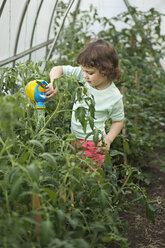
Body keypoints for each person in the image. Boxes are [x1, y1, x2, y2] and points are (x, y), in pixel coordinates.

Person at [45, 39, 124, 168]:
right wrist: (54, 82)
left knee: (90, 179)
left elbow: (118, 121)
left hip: (94, 144)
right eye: (83, 70)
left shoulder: (114, 97)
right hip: (73, 138)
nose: (85, 76)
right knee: (72, 174)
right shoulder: (83, 76)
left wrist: (108, 139)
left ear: (106, 71)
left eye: (90, 73)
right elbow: (57, 69)